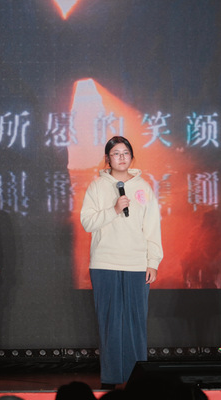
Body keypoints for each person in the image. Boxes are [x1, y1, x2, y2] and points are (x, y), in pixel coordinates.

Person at [80, 136, 163, 389]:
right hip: (104, 263)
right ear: (108, 159)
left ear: (132, 157)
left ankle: (138, 382)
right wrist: (114, 209)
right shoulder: (97, 186)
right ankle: (111, 379)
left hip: (136, 263)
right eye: (116, 153)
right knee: (110, 323)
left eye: (125, 153)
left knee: (136, 324)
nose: (121, 157)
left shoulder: (144, 187)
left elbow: (152, 227)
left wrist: (153, 261)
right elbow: (87, 222)